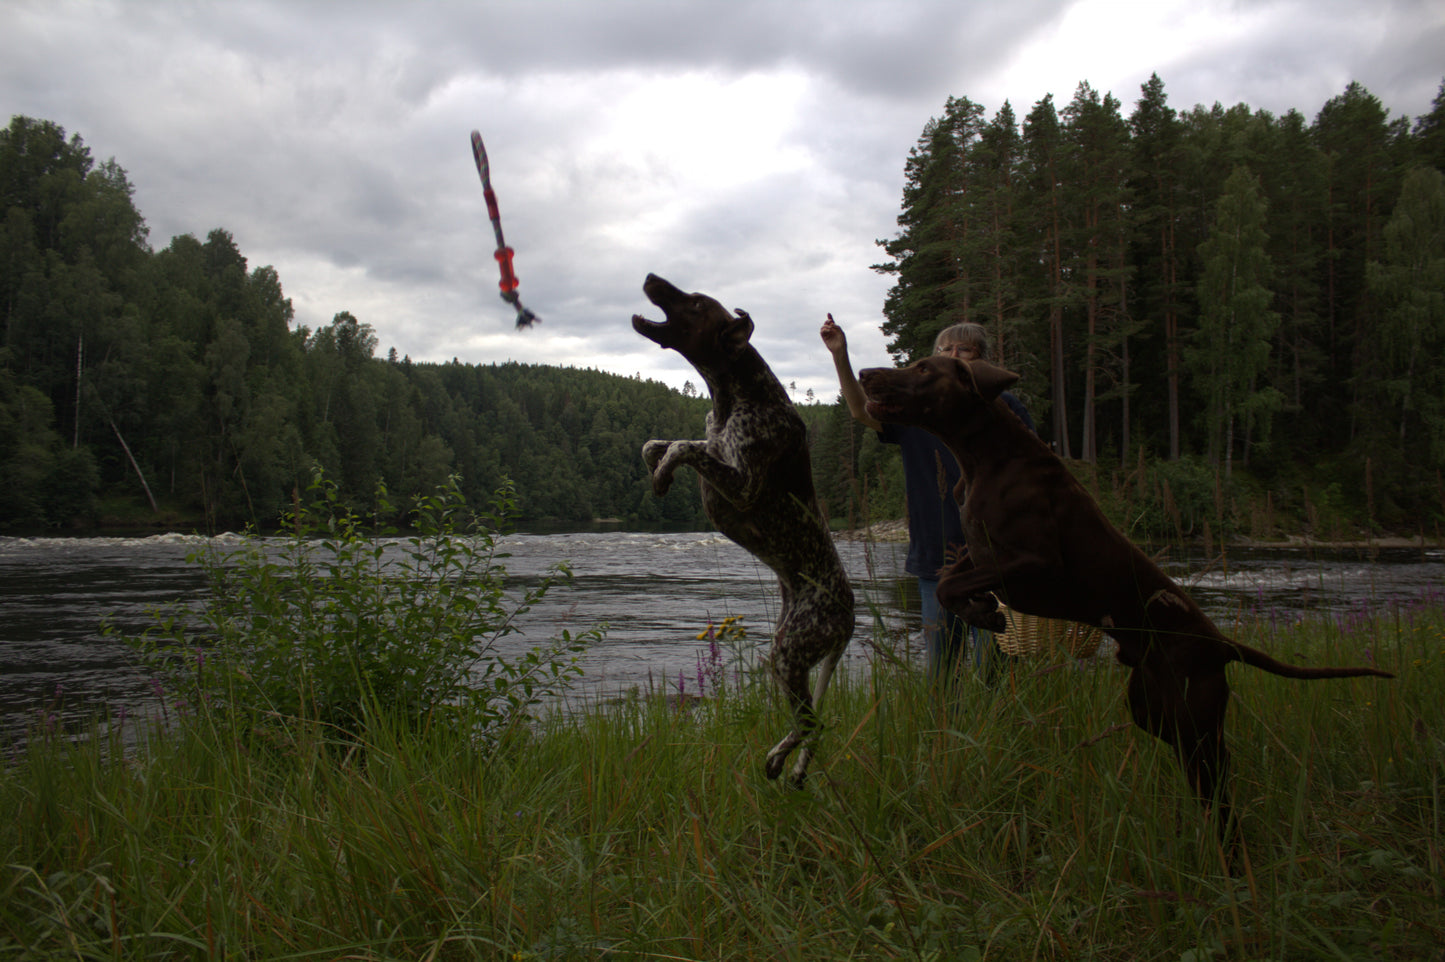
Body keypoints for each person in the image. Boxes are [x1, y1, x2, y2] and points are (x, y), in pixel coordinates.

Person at [820, 315, 1036, 687]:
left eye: (963, 350)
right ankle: (942, 738)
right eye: (945, 349)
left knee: (995, 674)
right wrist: (841, 355)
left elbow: (1031, 469)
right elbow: (860, 410)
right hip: (936, 560)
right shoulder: (914, 410)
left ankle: (996, 737)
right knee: (942, 672)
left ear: (979, 361)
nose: (953, 354)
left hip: (995, 562)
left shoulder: (1004, 406)